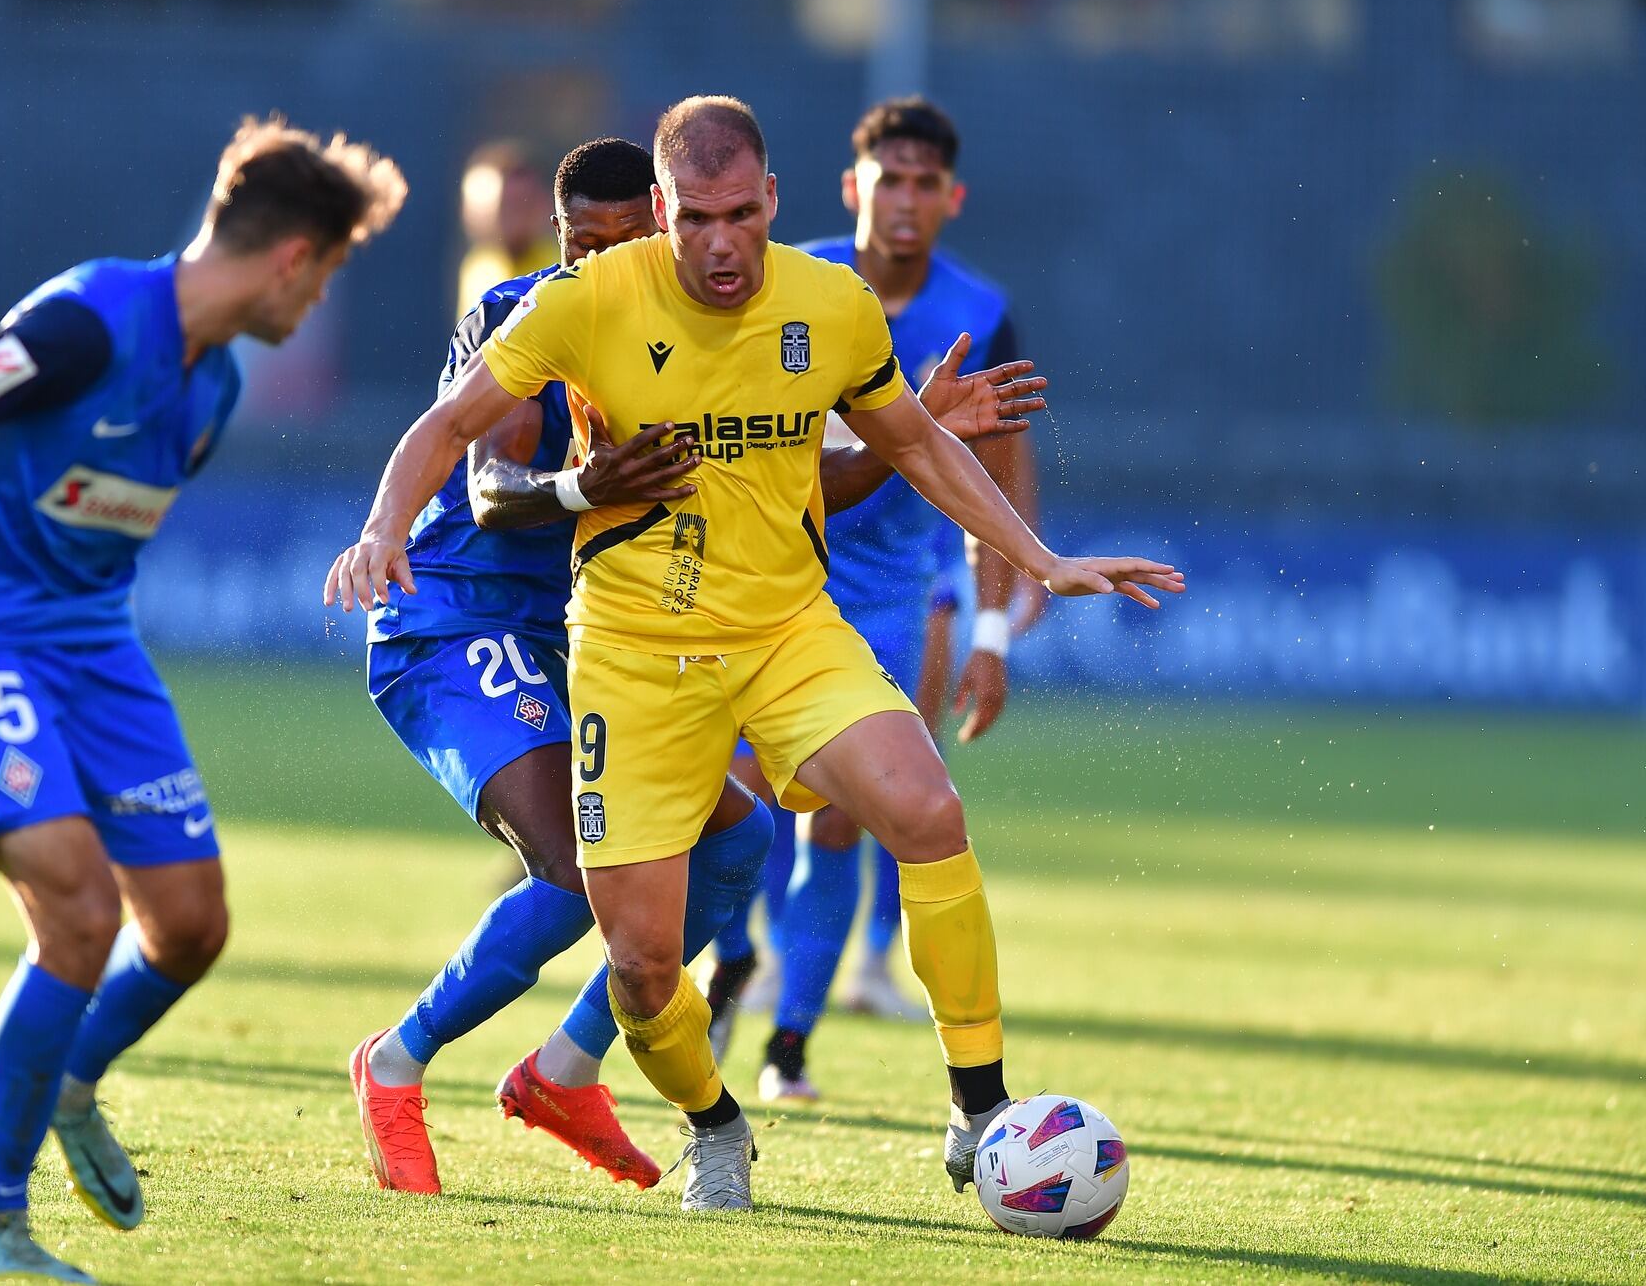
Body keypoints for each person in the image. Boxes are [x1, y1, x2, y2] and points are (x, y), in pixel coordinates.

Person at [325, 94, 1181, 1212]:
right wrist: (398, 526)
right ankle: (679, 1115)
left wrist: (1031, 556)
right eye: (690, 222)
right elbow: (477, 474)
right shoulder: (563, 307)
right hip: (534, 628)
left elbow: (874, 451)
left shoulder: (827, 306)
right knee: (615, 924)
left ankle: (974, 1107)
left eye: (735, 215)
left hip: (778, 632)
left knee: (892, 819)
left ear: (771, 201)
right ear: (662, 220)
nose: (715, 244)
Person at [0, 115, 405, 1281]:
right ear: (294, 258)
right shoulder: (85, 323)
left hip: (87, 642)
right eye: (332, 272)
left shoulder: (207, 396)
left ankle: (67, 1076)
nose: (318, 303)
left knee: (192, 924)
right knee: (76, 908)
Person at [719, 96, 1048, 1102]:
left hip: (887, 596)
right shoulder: (782, 278)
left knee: (841, 820)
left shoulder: (980, 312)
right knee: (724, 802)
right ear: (852, 187)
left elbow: (996, 480)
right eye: (886, 180)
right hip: (763, 581)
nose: (902, 202)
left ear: (949, 200)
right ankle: (727, 958)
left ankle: (787, 1050)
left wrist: (991, 631)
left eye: (922, 185)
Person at [454, 141, 557, 318]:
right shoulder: (477, 268)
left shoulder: (561, 267)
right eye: (505, 206)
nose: (514, 219)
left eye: (522, 204)